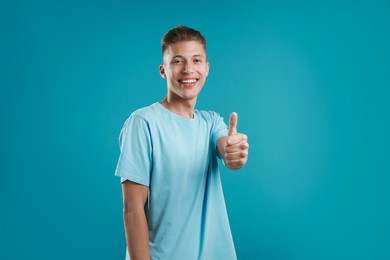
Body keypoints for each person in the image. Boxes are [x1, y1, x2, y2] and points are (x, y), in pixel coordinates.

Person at [114, 26, 249, 260]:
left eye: (196, 60)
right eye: (177, 61)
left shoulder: (211, 122)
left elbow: (226, 149)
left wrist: (233, 153)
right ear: (163, 70)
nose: (188, 70)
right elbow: (132, 209)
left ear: (206, 68)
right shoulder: (143, 122)